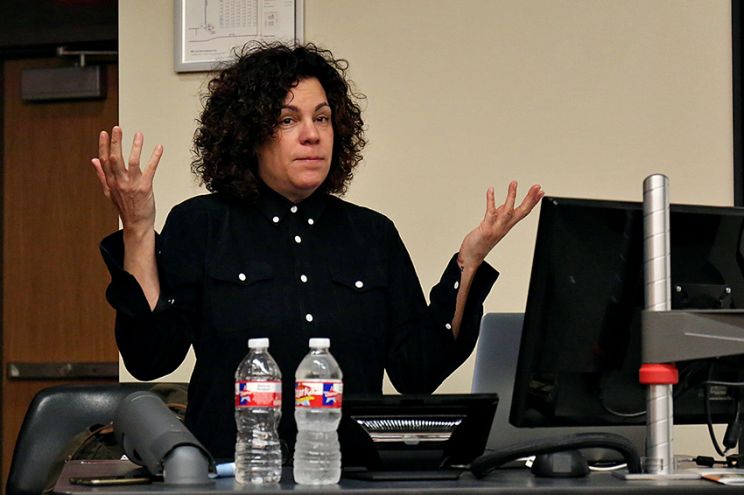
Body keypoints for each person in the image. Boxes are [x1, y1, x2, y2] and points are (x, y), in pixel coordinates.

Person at [92, 42, 544, 460]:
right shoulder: (203, 224)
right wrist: (138, 229)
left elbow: (418, 372)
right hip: (234, 472)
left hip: (349, 474)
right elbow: (150, 357)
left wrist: (469, 262)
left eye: (322, 118)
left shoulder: (372, 234)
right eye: (288, 120)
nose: (312, 135)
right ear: (249, 134)